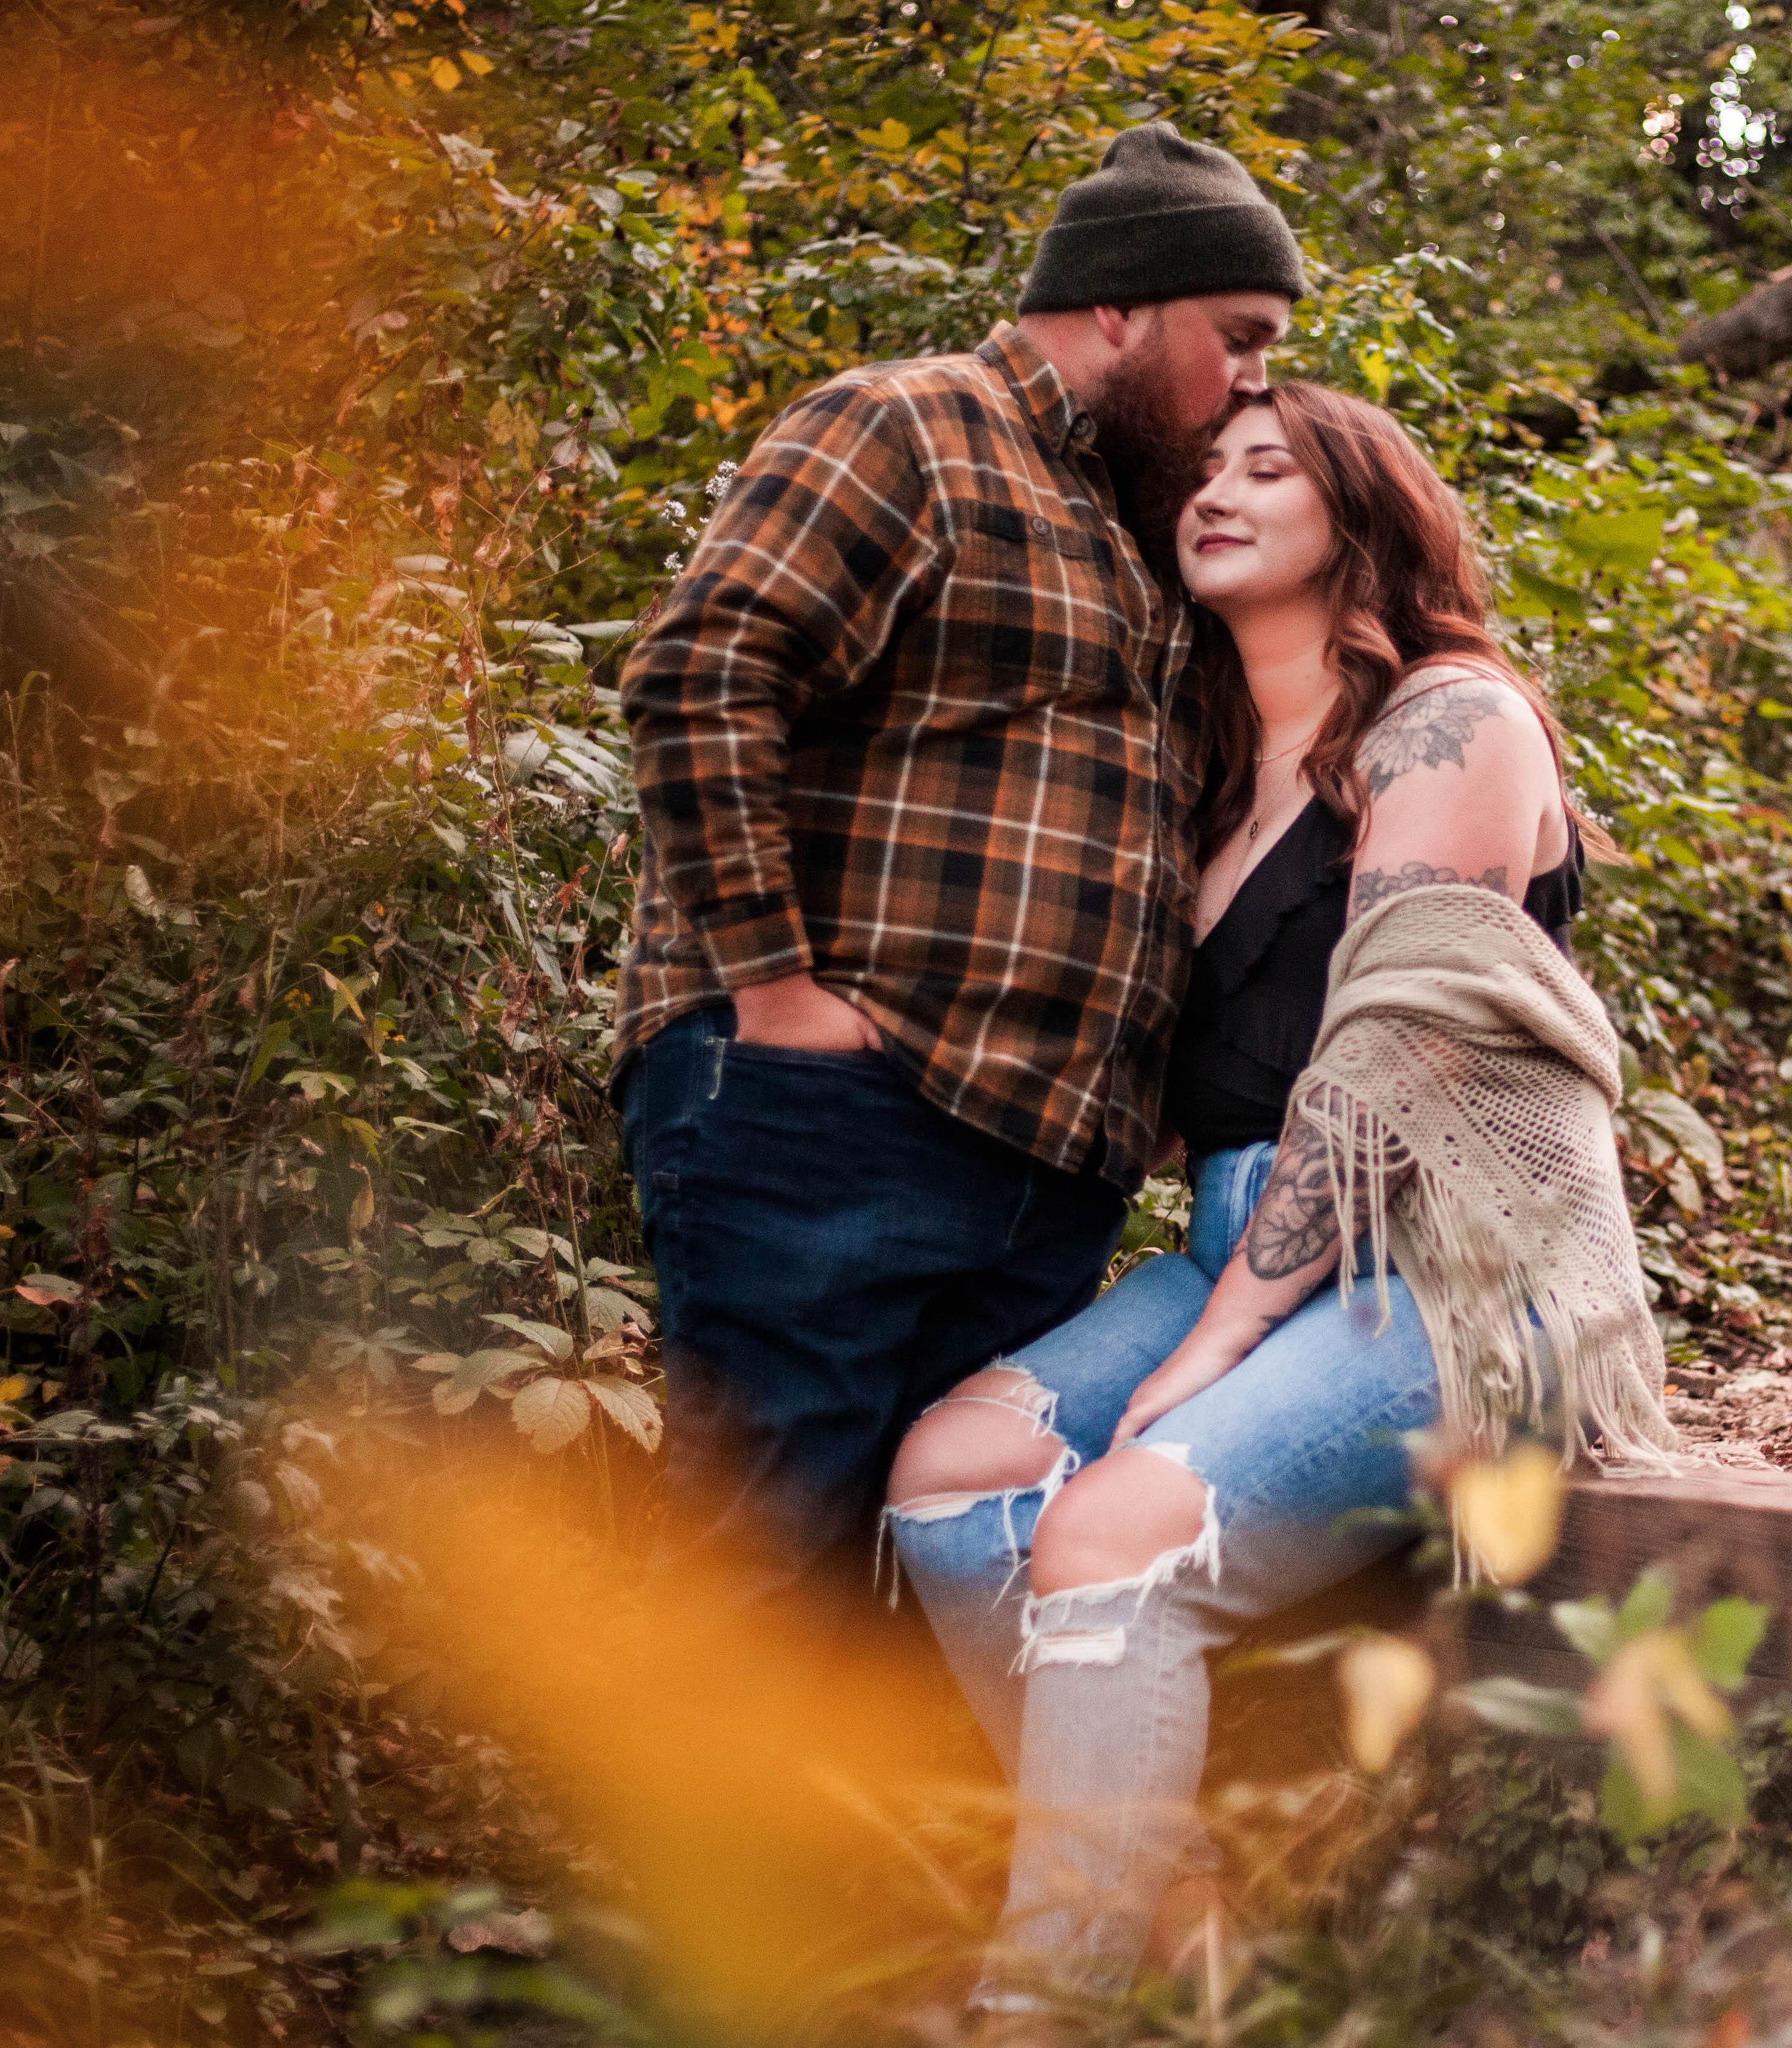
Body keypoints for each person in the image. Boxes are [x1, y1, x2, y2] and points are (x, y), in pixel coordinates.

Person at [884, 383, 1682, 2002]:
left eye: (1269, 467)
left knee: (1110, 1531)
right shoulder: (1210, 779)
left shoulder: (1449, 720)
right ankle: (1174, 1900)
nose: (1218, 491)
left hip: (1459, 1258)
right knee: (954, 1479)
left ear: (1362, 512)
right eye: (1204, 472)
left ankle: (1047, 2006)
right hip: (1236, 1237)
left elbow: (1390, 1057)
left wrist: (1216, 1339)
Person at [612, 126, 1302, 1609]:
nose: (1257, 379)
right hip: (835, 1112)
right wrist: (778, 998)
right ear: (1122, 303)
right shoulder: (907, 428)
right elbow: (701, 675)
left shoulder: (1143, 525)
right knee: (765, 1580)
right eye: (1241, 337)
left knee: (903, 1611)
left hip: (1040, 1164)